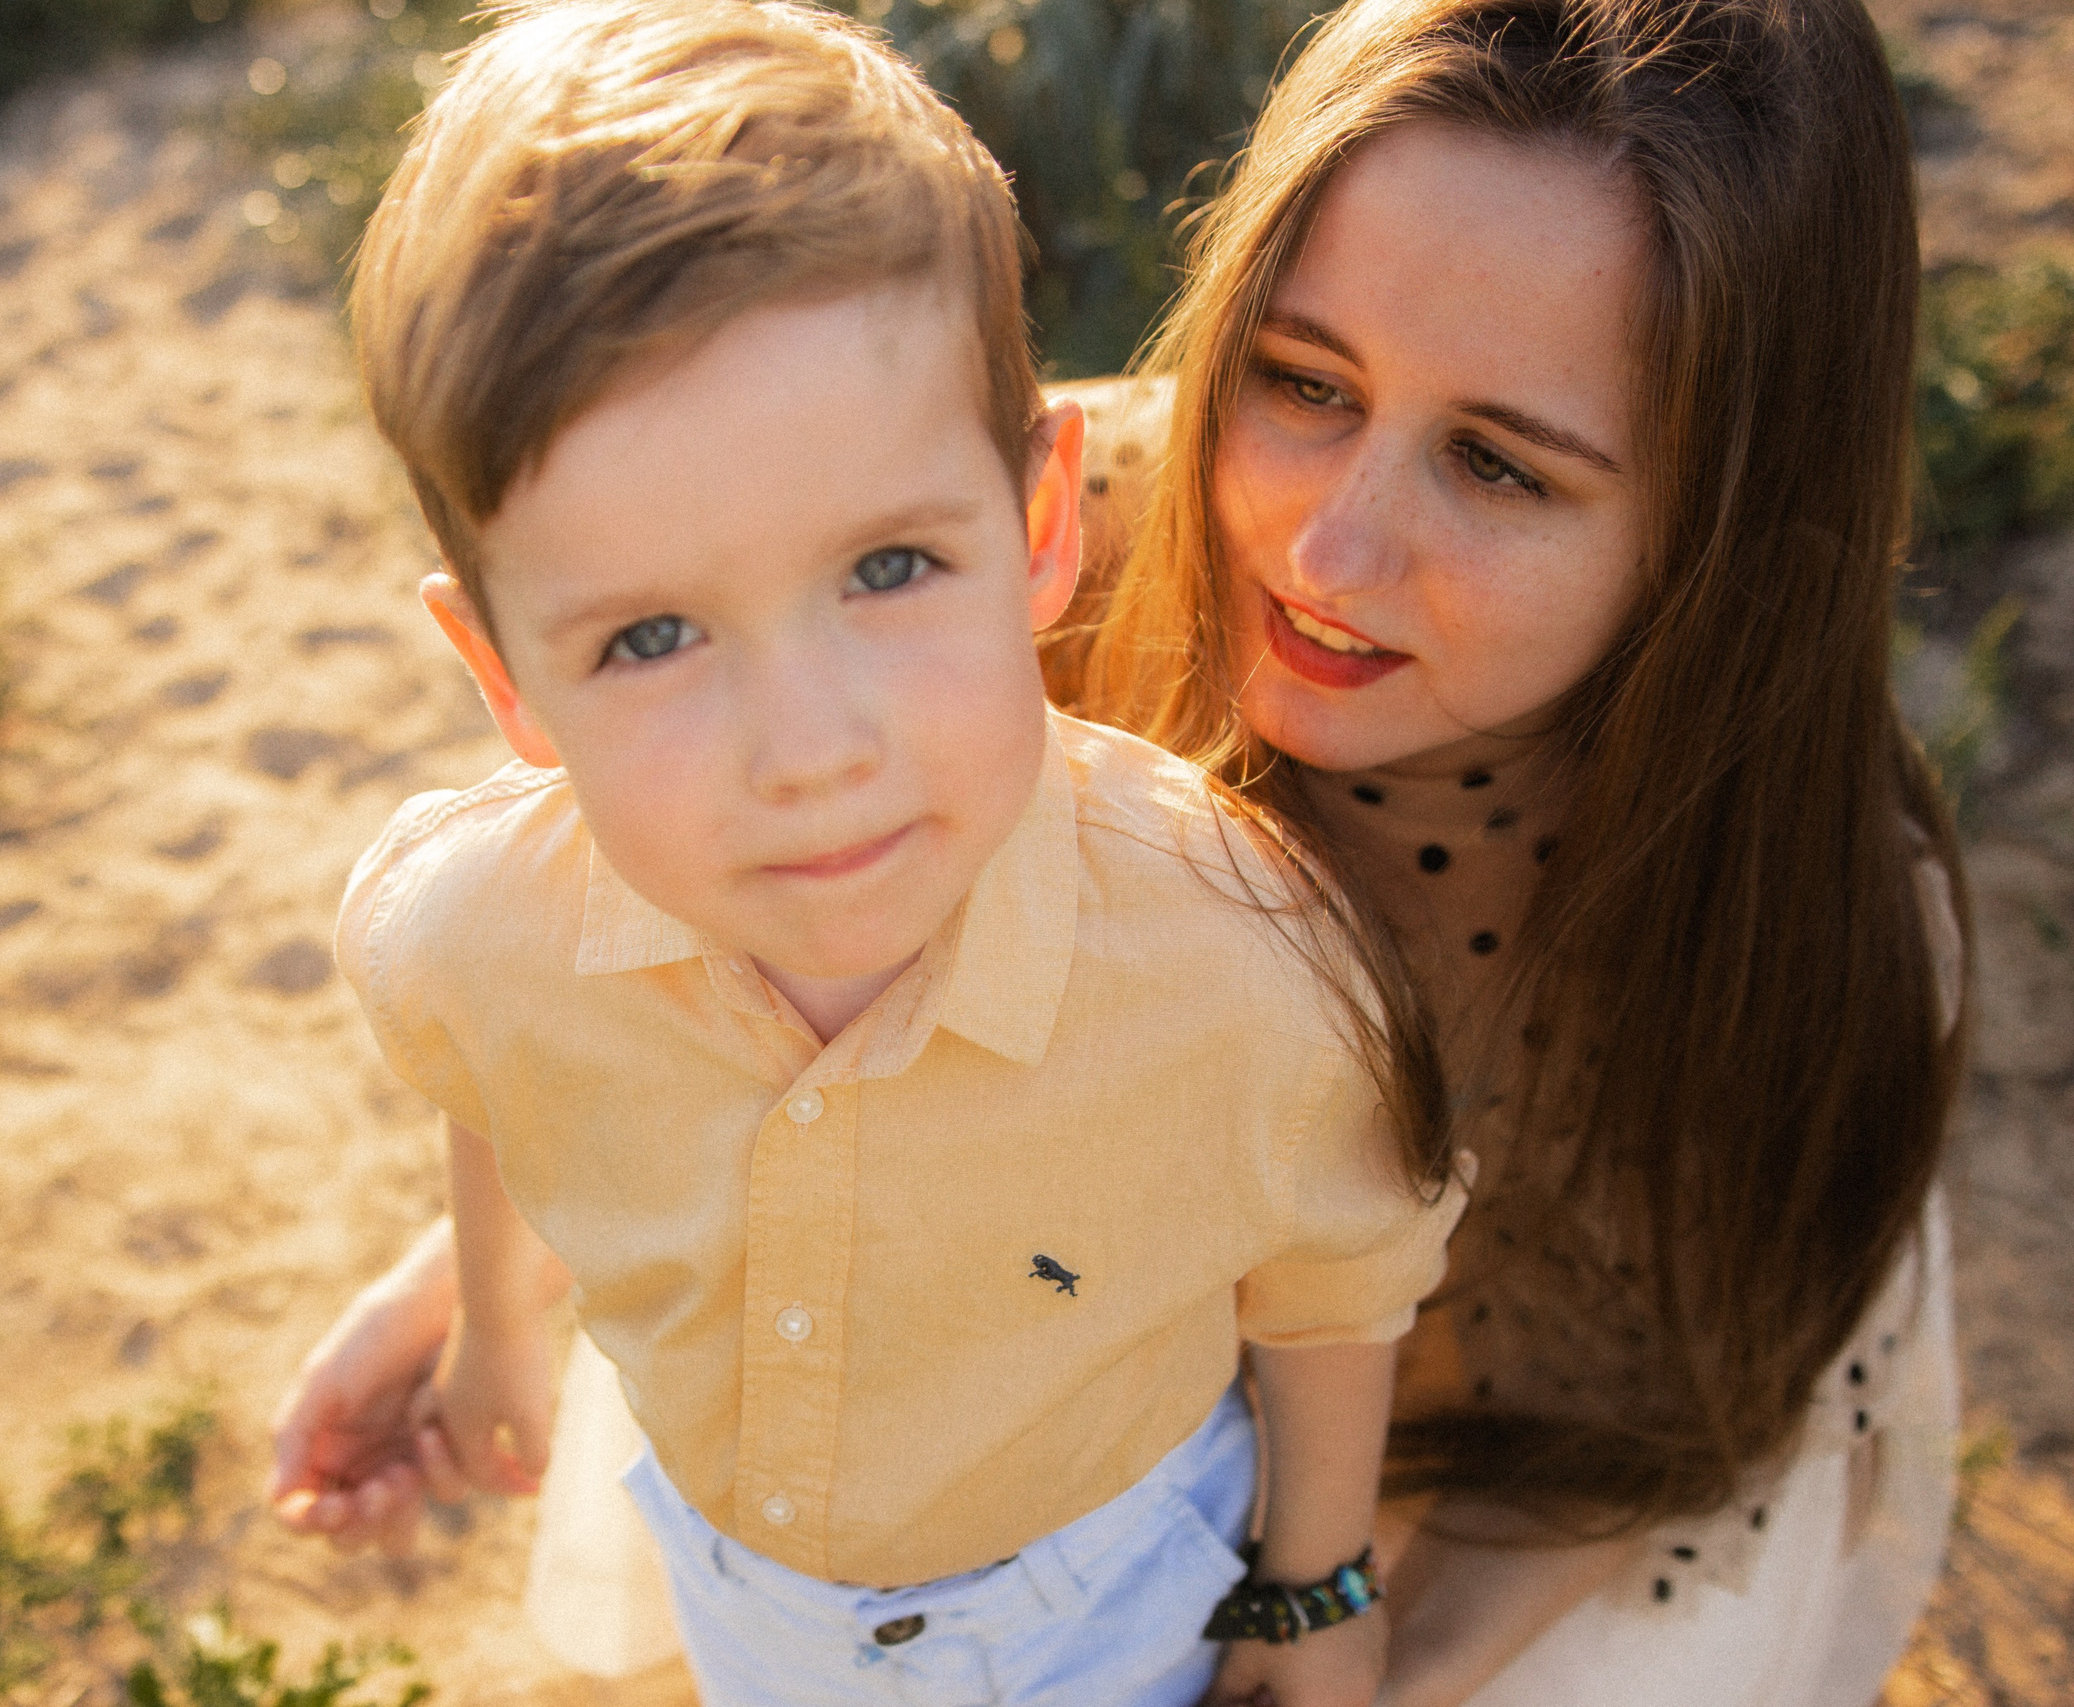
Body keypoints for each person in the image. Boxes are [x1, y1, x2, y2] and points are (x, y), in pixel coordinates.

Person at [273, 0, 1969, 1702]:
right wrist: (460, 1293)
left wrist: (1326, 1623)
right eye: (1303, 379)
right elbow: (723, 1020)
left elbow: (1637, 1424)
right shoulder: (986, 550)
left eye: (1498, 465)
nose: (1327, 545)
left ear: (1718, 516)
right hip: (983, 1391)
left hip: (1475, 1506)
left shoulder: (1790, 916)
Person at [294, 3, 1470, 1704]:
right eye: (649, 639)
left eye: (889, 571)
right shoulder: (470, 926)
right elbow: (491, 1083)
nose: (814, 746)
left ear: (1041, 527)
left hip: (1107, 1592)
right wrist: (492, 1326)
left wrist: (1319, 1580)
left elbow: (1333, 1284)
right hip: (745, 1582)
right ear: (504, 680)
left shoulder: (1240, 963)